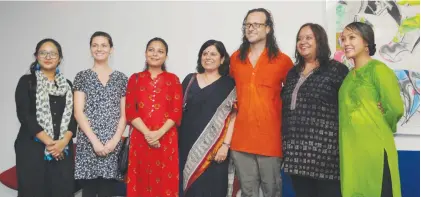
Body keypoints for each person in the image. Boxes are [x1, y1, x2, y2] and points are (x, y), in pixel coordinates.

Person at [229, 8, 294, 197]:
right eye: (248, 24)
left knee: (272, 192)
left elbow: (295, 95)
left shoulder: (282, 61)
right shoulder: (235, 59)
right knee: (248, 193)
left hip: (271, 141)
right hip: (241, 141)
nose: (251, 28)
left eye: (256, 24)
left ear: (268, 29)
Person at [281, 23, 349, 197]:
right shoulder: (292, 73)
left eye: (308, 37)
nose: (302, 42)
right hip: (296, 156)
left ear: (320, 41)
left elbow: (351, 104)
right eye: (299, 38)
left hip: (326, 157)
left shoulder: (337, 70)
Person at [339, 22, 404, 197]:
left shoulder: (378, 70)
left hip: (375, 150)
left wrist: (378, 121)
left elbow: (396, 108)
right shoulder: (348, 78)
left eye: (352, 37)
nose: (345, 43)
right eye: (343, 39)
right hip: (351, 152)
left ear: (366, 42)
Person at [15, 38, 77, 197]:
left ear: (60, 58)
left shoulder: (67, 85)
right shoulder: (27, 82)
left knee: (61, 191)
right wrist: (51, 144)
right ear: (36, 56)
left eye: (53, 53)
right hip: (32, 149)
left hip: (63, 150)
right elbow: (25, 115)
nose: (48, 57)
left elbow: (72, 118)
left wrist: (62, 143)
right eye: (43, 53)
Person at [125, 37, 182, 197]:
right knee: (140, 181)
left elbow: (176, 112)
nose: (155, 54)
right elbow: (130, 111)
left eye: (160, 51)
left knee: (165, 182)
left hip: (166, 138)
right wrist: (148, 134)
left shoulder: (173, 79)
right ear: (145, 53)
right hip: (140, 138)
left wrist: (158, 133)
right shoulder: (135, 78)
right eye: (151, 50)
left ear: (166, 56)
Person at [179, 40, 237, 197]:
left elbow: (233, 117)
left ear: (222, 59)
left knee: (213, 189)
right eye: (204, 54)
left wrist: (226, 145)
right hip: (186, 145)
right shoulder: (189, 80)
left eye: (213, 54)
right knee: (188, 189)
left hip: (215, 149)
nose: (208, 57)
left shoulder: (229, 84)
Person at [73, 31, 128, 197]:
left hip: (112, 143)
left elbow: (124, 114)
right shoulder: (82, 76)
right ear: (90, 49)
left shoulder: (121, 78)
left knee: (107, 191)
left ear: (111, 49)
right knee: (88, 191)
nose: (99, 49)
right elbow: (78, 112)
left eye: (104, 45)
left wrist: (114, 141)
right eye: (95, 45)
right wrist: (95, 142)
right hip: (88, 142)